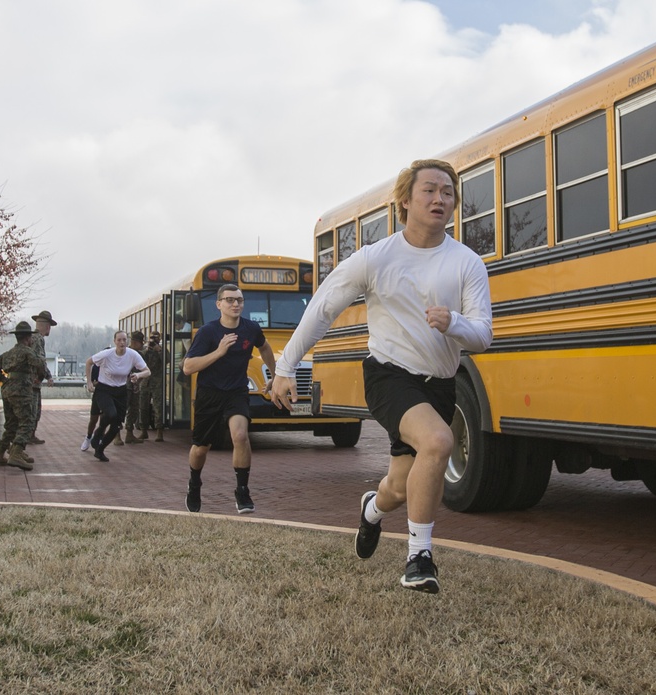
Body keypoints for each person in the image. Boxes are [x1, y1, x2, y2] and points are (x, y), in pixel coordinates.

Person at [270, 159, 493, 594]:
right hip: (388, 376)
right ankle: (419, 558)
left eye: (448, 192)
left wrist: (454, 324)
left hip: (439, 382)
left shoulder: (467, 263)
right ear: (405, 200)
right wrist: (285, 367)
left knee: (400, 487)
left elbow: (483, 334)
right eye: (429, 190)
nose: (439, 199)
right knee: (439, 442)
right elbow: (323, 309)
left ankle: (372, 509)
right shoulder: (375, 258)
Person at [183, 284, 276, 515]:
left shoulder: (251, 329)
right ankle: (194, 485)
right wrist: (219, 352)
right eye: (230, 300)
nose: (236, 304)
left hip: (236, 392)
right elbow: (187, 367)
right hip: (209, 394)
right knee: (200, 448)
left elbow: (265, 348)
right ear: (219, 304)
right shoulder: (207, 332)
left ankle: (242, 491)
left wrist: (276, 375)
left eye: (239, 300)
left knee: (241, 436)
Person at [0, 321, 49, 470]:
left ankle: (0, 454)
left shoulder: (8, 354)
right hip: (22, 390)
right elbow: (40, 365)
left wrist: (2, 379)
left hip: (7, 389)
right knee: (27, 421)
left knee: (11, 424)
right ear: (28, 338)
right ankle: (16, 452)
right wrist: (40, 377)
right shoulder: (28, 352)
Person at [85, 331, 150, 462]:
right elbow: (88, 362)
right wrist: (89, 382)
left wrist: (138, 375)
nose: (122, 343)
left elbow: (147, 371)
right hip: (104, 389)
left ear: (127, 341)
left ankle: (100, 449)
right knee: (111, 414)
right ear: (114, 341)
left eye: (124, 340)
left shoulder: (132, 355)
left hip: (121, 390)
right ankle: (98, 432)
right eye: (119, 340)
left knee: (116, 425)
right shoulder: (107, 354)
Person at [28, 310, 57, 445]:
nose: (49, 329)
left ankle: (30, 436)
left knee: (35, 411)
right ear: (47, 326)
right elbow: (40, 361)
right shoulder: (37, 339)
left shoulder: (32, 338)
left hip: (32, 382)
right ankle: (25, 438)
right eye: (49, 326)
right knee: (32, 412)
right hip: (31, 383)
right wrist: (49, 376)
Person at [119, 331, 146, 445]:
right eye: (140, 343)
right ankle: (117, 435)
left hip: (135, 386)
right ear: (135, 342)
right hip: (124, 386)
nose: (142, 345)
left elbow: (144, 370)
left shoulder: (140, 354)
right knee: (121, 410)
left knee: (134, 410)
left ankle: (129, 434)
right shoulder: (125, 353)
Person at [139, 330, 165, 441]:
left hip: (157, 382)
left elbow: (167, 360)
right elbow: (138, 360)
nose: (154, 340)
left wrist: (159, 351)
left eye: (156, 338)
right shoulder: (145, 350)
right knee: (143, 407)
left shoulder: (162, 350)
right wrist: (147, 349)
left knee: (158, 407)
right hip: (145, 382)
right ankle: (143, 431)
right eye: (152, 337)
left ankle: (159, 432)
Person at [80, 358, 105, 452]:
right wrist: (96, 383)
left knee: (105, 419)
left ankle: (100, 437)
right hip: (98, 395)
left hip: (110, 395)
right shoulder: (97, 367)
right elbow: (93, 382)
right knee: (93, 419)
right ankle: (88, 436)